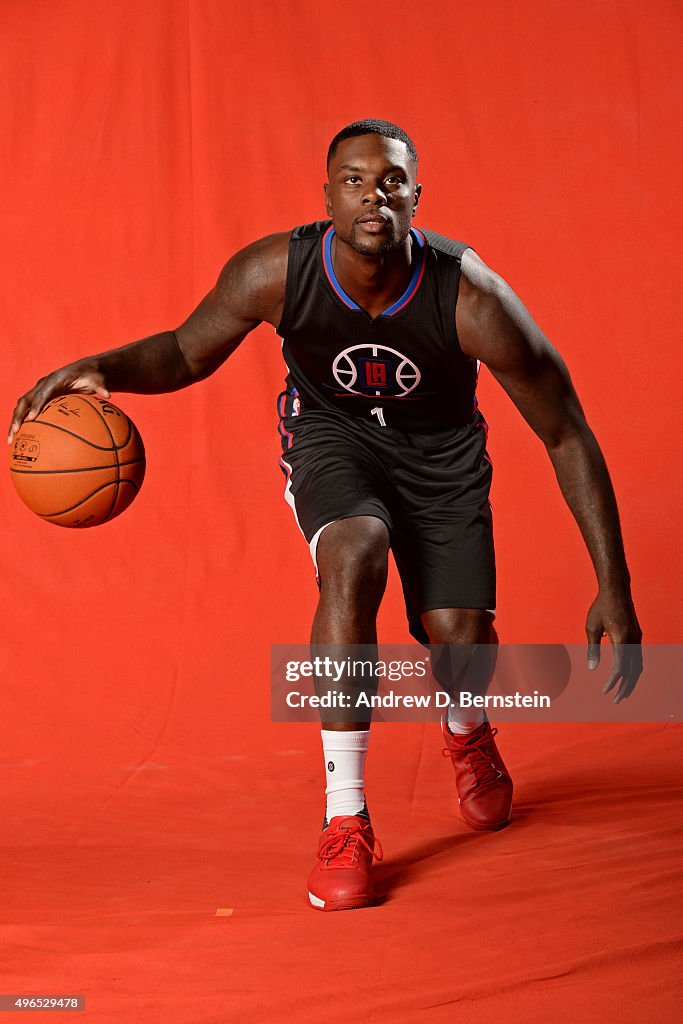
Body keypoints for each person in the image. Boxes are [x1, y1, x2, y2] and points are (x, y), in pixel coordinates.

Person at [8, 118, 643, 913]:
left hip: (441, 458)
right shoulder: (276, 272)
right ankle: (345, 817)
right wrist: (98, 365)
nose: (373, 195)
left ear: (416, 196)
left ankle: (468, 731)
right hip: (331, 436)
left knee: (458, 634)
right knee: (354, 552)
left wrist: (611, 584)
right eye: (354, 179)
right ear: (327, 194)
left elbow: (565, 433)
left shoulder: (470, 298)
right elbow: (183, 351)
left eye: (391, 181)